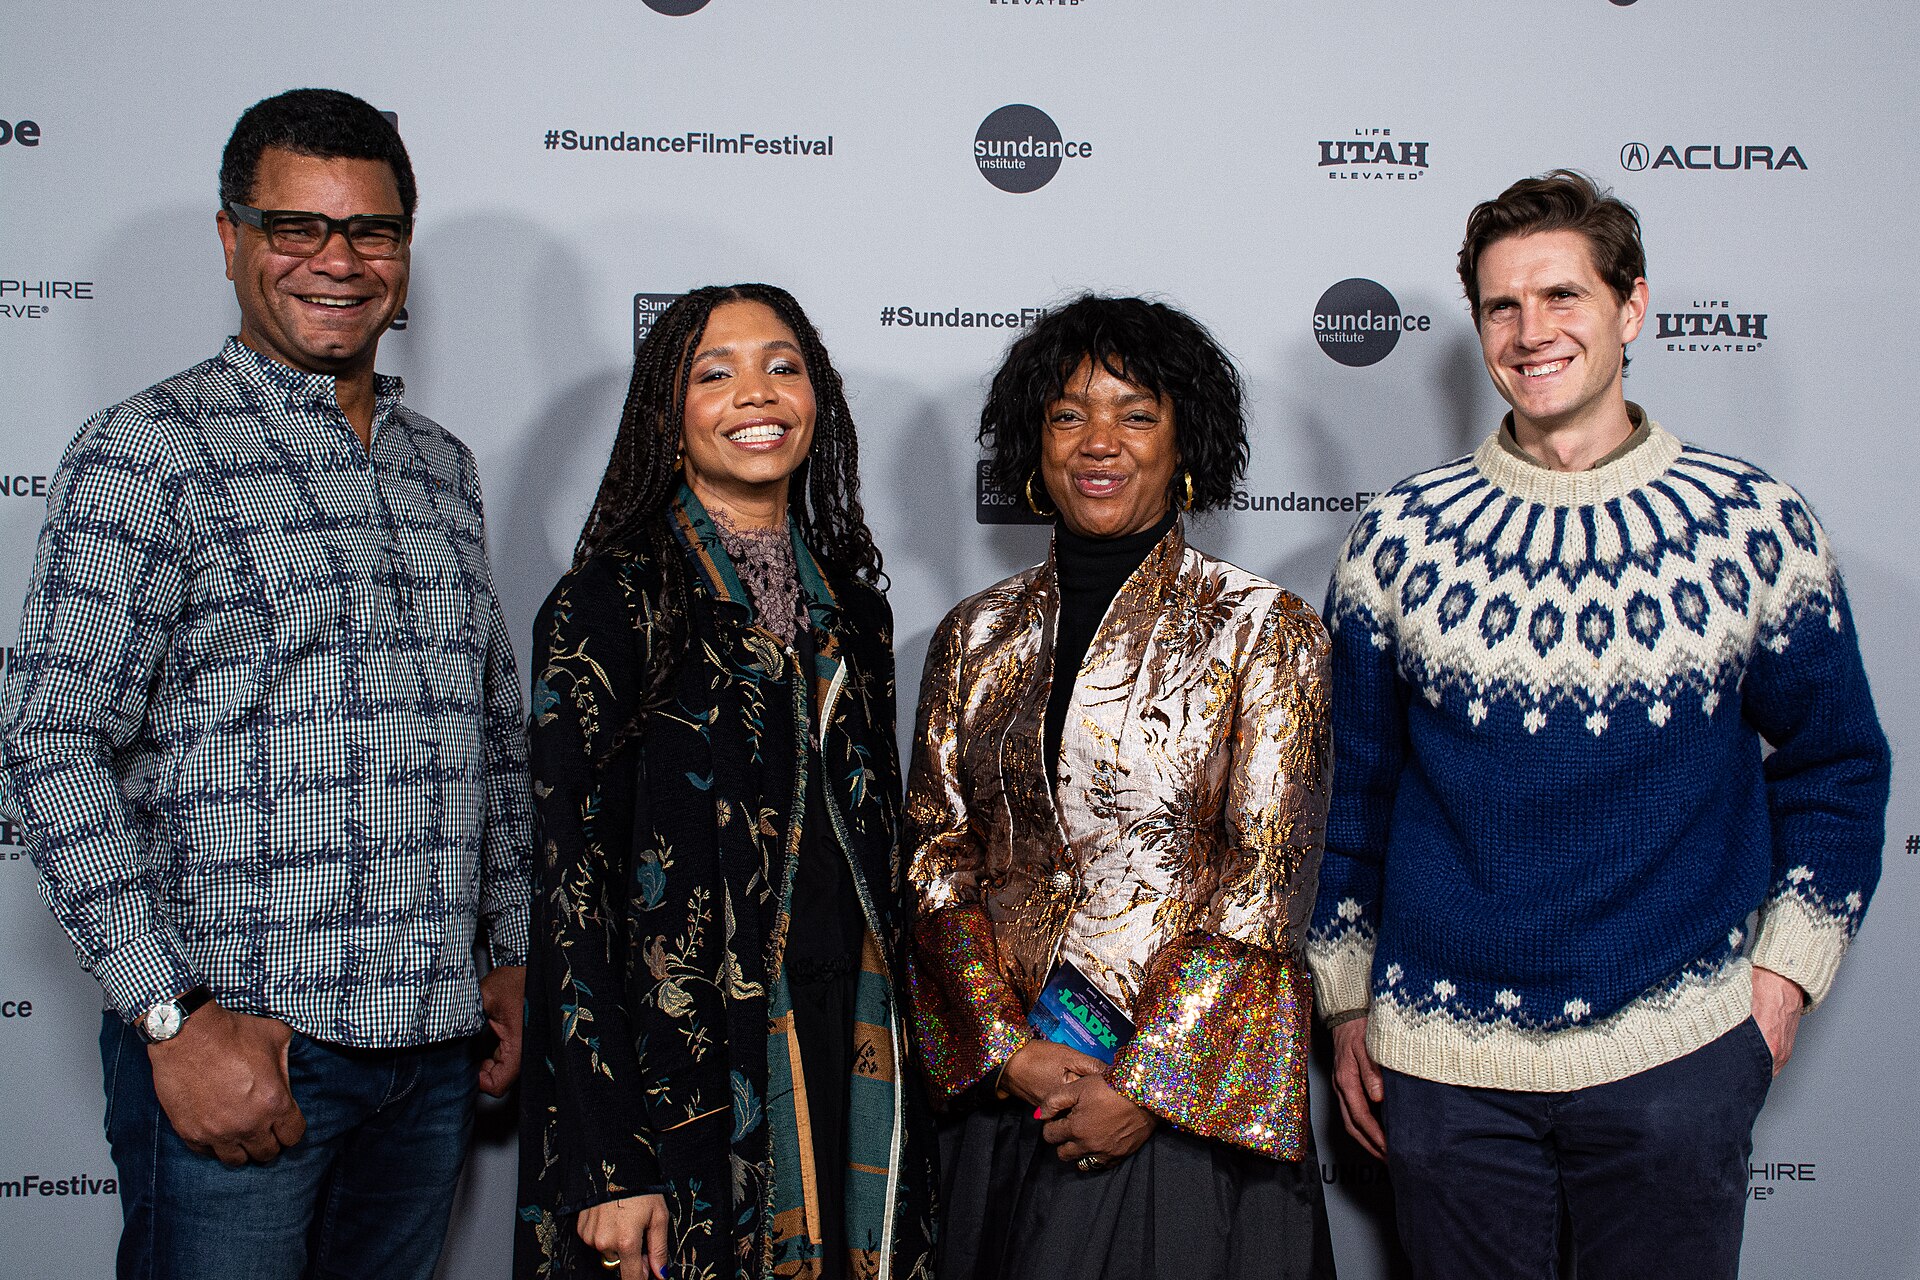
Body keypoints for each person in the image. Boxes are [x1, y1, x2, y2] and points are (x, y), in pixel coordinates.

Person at [1309, 170, 1892, 1278]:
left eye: (1562, 296)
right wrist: (1344, 1003)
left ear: (1631, 309)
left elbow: (1838, 766)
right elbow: (1351, 792)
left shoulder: (1752, 527)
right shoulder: (1398, 539)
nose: (1531, 331)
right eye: (1502, 306)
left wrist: (1782, 979)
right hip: (1443, 1068)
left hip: (1678, 1054)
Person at [0, 89, 532, 1279]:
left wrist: (506, 946)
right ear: (232, 238)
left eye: (371, 230)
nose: (338, 261)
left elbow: (491, 731)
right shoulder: (148, 448)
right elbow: (47, 740)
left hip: (431, 1055)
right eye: (297, 226)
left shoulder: (442, 466)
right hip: (249, 1048)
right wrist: (170, 1016)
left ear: (403, 248)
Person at [513, 284, 938, 1280]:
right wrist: (610, 1160)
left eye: (783, 366)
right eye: (716, 373)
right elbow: (570, 893)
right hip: (682, 1077)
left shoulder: (854, 615)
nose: (757, 392)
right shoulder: (608, 604)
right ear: (667, 415)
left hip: (846, 1038)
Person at [908, 294, 1337, 1279]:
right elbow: (936, 859)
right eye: (1069, 415)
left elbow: (1267, 885)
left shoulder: (1263, 629)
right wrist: (1004, 1047)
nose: (1098, 441)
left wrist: (1146, 1086)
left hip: (1175, 1116)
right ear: (1036, 443)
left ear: (1185, 441)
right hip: (1009, 1099)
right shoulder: (974, 634)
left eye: (1136, 414)